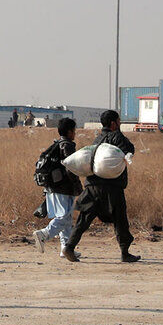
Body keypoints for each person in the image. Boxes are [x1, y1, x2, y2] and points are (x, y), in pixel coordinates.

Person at [64, 109, 139, 263]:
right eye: (118, 121)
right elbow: (130, 149)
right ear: (113, 123)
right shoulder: (117, 136)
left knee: (84, 219)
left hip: (92, 185)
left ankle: (69, 247)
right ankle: (125, 253)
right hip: (112, 187)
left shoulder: (97, 139)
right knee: (120, 219)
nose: (120, 123)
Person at [32, 117, 81, 256]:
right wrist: (78, 185)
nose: (75, 134)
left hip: (54, 187)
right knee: (64, 217)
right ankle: (44, 234)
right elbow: (70, 167)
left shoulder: (56, 144)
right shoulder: (67, 145)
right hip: (63, 188)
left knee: (67, 217)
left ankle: (66, 248)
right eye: (74, 131)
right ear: (70, 131)